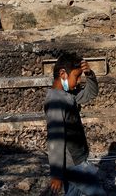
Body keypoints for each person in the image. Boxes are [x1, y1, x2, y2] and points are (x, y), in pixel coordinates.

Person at [44, 53, 106, 196]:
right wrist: (56, 174)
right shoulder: (56, 102)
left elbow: (90, 94)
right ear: (63, 74)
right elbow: (56, 139)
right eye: (77, 77)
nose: (78, 81)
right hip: (75, 164)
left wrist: (89, 74)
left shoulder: (68, 94)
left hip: (76, 159)